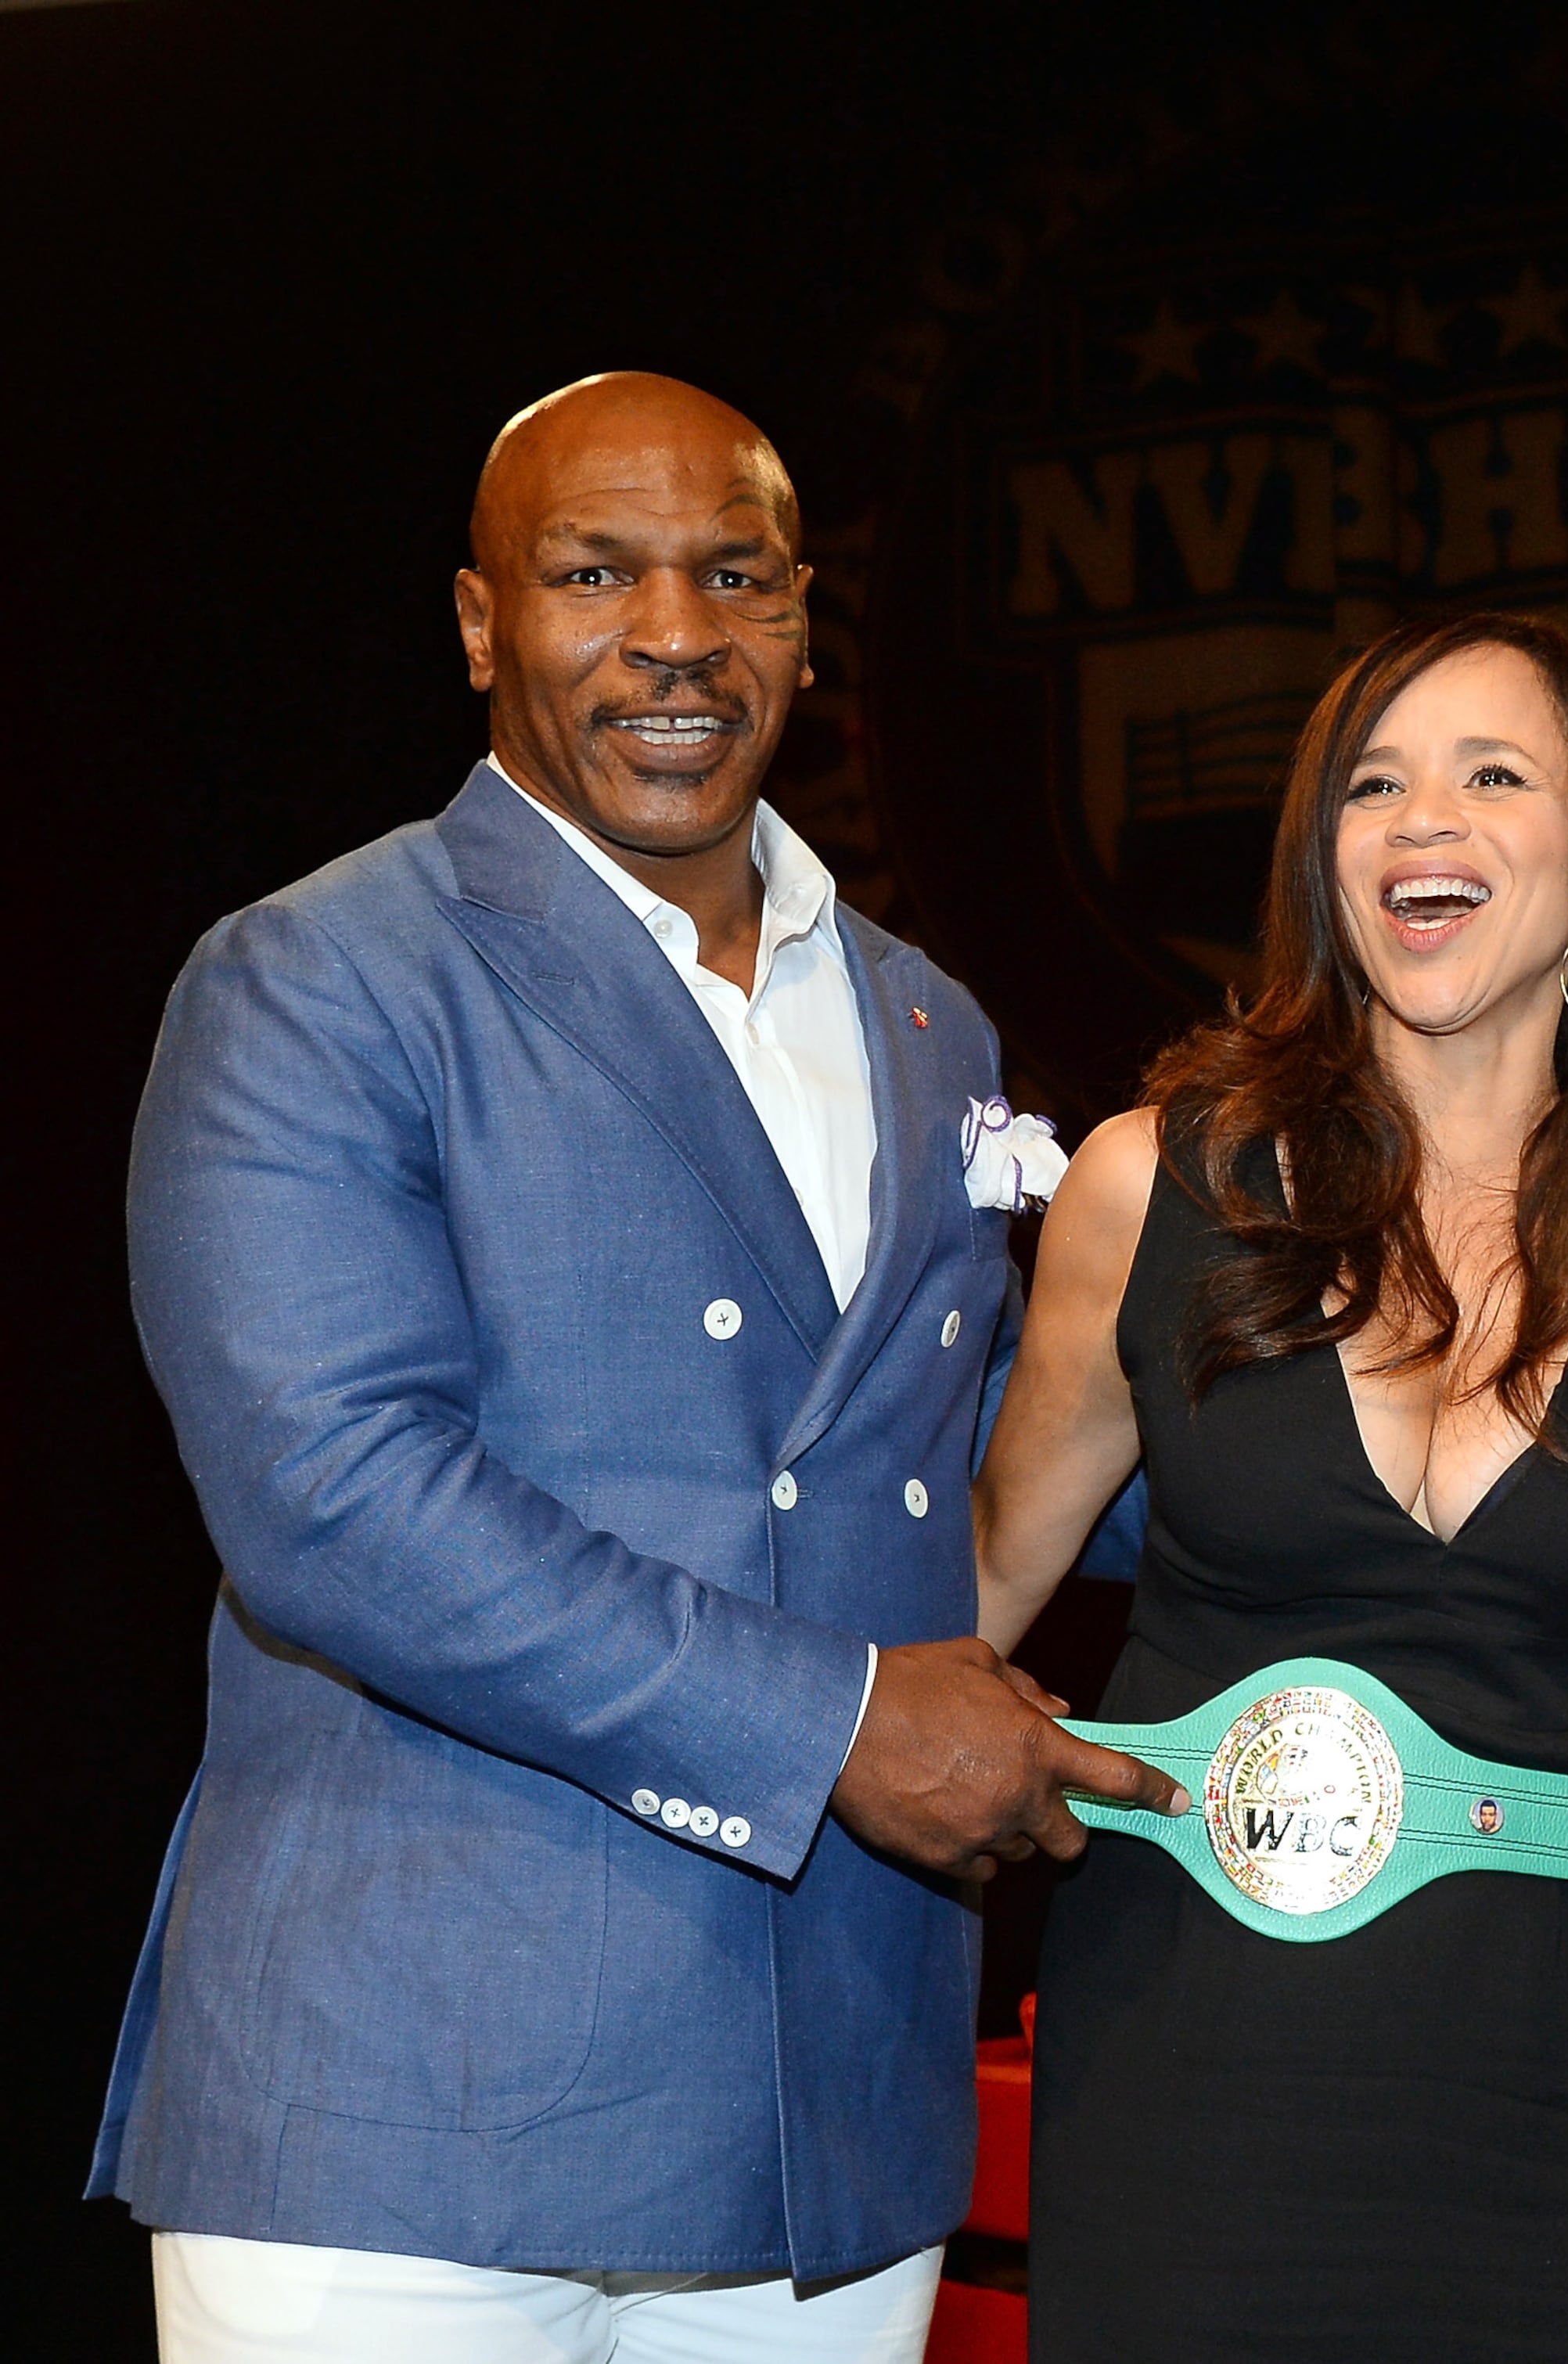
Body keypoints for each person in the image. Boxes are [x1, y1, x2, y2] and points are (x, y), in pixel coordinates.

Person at [91, 372, 1182, 2363]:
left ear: (800, 616)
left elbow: (1006, 1451)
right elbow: (335, 1502)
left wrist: (1463, 1523)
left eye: (735, 574)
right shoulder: (318, 979)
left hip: (831, 2097)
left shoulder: (929, 1015)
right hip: (412, 2093)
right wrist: (845, 1722)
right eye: (595, 572)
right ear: (480, 622)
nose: (676, 633)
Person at [974, 613, 1568, 2362]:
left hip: (1550, 2070)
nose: (1426, 820)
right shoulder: (1148, 1182)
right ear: (1325, 862)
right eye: (1375, 784)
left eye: (1495, 775)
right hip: (1193, 2051)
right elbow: (972, 1594)